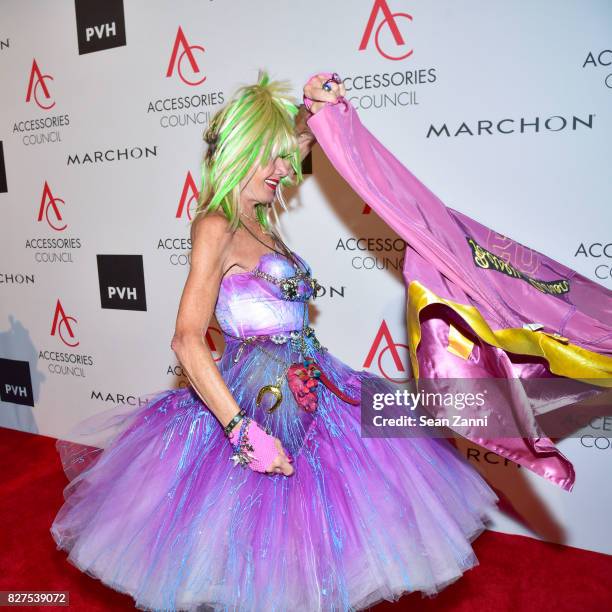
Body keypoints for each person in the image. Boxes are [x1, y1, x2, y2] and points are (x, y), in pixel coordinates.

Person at [50, 71, 503, 611]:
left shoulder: (261, 217)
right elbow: (188, 340)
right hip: (254, 402)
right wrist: (242, 432)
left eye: (289, 159)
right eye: (276, 158)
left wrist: (320, 107)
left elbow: (310, 135)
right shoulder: (216, 225)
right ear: (246, 148)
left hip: (315, 385)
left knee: (316, 555)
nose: (289, 171)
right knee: (257, 555)